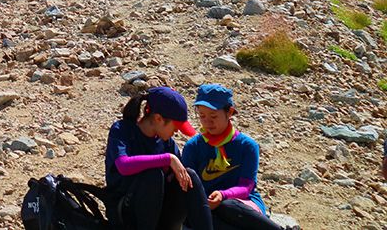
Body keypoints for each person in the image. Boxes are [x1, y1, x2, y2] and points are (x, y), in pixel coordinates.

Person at [106, 87, 211, 230]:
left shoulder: (166, 142)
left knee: (189, 175)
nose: (176, 131)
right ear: (158, 119)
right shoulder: (122, 130)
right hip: (125, 213)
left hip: (158, 215)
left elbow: (180, 177)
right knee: (153, 175)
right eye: (175, 126)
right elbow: (123, 165)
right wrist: (167, 159)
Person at [181, 85, 282, 230]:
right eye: (202, 116)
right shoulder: (193, 147)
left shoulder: (247, 146)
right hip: (207, 206)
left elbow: (246, 187)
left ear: (229, 112)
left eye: (213, 116)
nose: (207, 122)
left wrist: (223, 195)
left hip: (241, 204)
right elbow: (188, 189)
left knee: (227, 206)